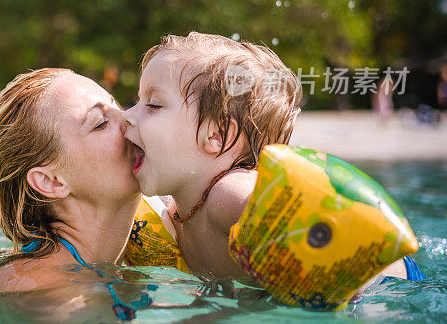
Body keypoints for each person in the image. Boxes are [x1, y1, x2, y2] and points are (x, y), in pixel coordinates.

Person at [123, 32, 412, 283]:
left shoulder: (228, 194)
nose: (126, 116)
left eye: (154, 105)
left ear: (216, 136)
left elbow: (335, 238)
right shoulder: (177, 208)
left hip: (385, 277)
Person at [0, 68, 152, 319]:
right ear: (50, 181)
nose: (129, 117)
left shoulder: (155, 239)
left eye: (117, 104)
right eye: (101, 123)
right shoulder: (46, 293)